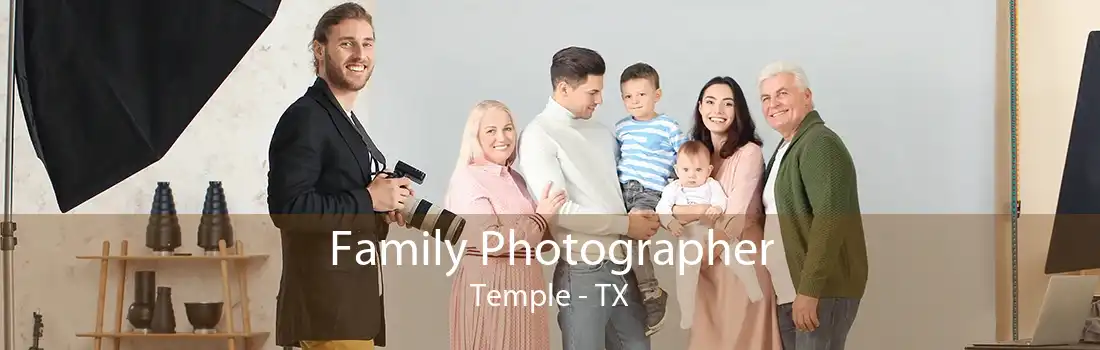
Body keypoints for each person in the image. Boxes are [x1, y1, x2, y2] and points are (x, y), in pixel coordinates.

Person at [266, 3, 410, 350]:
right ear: (320, 49)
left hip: (352, 312)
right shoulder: (305, 118)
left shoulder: (343, 119)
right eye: (347, 43)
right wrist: (369, 199)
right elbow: (288, 208)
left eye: (368, 43)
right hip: (327, 315)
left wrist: (380, 209)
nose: (360, 54)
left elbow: (342, 203)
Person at [517, 46, 660, 350]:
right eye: (592, 92)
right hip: (583, 270)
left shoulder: (603, 132)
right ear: (564, 88)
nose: (600, 100)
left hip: (622, 266)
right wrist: (625, 225)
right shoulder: (539, 135)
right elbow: (561, 211)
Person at [757, 62, 868, 350]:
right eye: (766, 98)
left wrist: (809, 290)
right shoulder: (786, 148)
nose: (773, 104)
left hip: (817, 292)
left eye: (782, 93)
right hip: (788, 291)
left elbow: (830, 219)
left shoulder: (819, 143)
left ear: (806, 96)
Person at [670, 76, 782, 350]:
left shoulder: (749, 153)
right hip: (705, 268)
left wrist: (700, 256)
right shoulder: (695, 155)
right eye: (710, 102)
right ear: (699, 107)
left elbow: (733, 220)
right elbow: (670, 206)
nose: (717, 111)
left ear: (738, 111)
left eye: (727, 104)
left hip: (739, 260)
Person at [443, 100, 565, 350]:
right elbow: (491, 241)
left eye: (508, 129)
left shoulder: (516, 178)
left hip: (526, 284)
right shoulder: (467, 178)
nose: (502, 137)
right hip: (489, 285)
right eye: (491, 130)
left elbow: (536, 242)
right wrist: (540, 218)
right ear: (475, 136)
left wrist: (555, 221)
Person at [655, 140, 765, 331]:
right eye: (686, 169)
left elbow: (721, 201)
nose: (692, 175)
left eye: (698, 170)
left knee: (736, 255)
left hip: (713, 229)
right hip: (689, 234)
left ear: (709, 170)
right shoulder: (673, 189)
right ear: (677, 169)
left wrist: (716, 208)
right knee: (686, 275)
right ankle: (687, 314)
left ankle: (753, 287)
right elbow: (662, 208)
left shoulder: (711, 185)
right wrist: (670, 221)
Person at [612, 62, 683, 335]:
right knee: (618, 239)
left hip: (649, 190)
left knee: (635, 234)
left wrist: (677, 190)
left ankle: (652, 293)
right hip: (623, 190)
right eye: (628, 96)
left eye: (641, 94)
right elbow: (617, 159)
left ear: (657, 95)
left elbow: (684, 157)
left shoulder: (667, 126)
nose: (634, 101)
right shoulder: (621, 128)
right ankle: (633, 295)